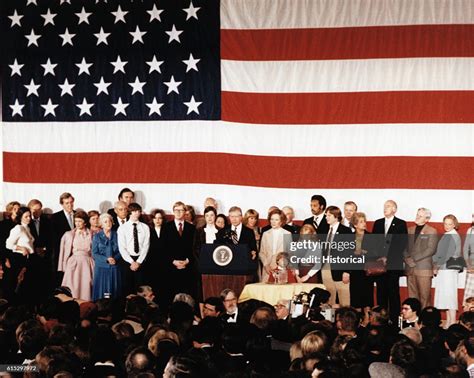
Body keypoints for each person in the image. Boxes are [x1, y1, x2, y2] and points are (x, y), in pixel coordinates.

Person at [371, 200, 408, 323]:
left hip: (393, 265)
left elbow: (401, 244)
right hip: (379, 265)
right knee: (381, 293)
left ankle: (395, 320)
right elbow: (374, 242)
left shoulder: (401, 224)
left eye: (388, 206)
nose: (385, 208)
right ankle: (381, 320)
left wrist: (388, 257)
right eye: (384, 206)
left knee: (393, 293)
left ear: (394, 209)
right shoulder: (378, 223)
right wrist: (379, 257)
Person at [404, 208, 438, 309]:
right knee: (412, 298)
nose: (417, 217)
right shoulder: (409, 230)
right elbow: (403, 247)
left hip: (423, 269)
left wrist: (412, 259)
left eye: (420, 216)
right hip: (410, 268)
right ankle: (414, 320)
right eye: (417, 215)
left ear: (427, 219)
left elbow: (431, 249)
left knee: (425, 298)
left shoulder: (432, 231)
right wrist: (407, 259)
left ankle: (425, 321)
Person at [320, 206, 353, 307]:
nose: (326, 217)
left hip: (340, 269)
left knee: (344, 297)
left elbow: (349, 253)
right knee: (329, 297)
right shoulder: (325, 230)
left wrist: (347, 271)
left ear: (336, 216)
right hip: (325, 267)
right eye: (326, 215)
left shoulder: (346, 231)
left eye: (329, 215)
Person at [161, 201, 196, 298]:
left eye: (181, 210)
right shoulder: (166, 227)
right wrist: (173, 261)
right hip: (171, 267)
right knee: (172, 295)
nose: (178, 212)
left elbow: (194, 247)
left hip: (187, 266)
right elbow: (163, 248)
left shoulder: (192, 228)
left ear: (185, 212)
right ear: (173, 211)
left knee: (186, 295)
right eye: (176, 210)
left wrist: (187, 261)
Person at [433, 214, 462, 328]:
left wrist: (437, 265)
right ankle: (449, 321)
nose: (447, 226)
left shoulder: (453, 235)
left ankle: (453, 322)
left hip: (449, 270)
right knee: (446, 296)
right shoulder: (448, 234)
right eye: (445, 223)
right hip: (446, 270)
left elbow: (447, 254)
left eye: (450, 224)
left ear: (454, 224)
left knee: (450, 296)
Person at [58, 211, 94, 301]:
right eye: (76, 221)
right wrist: (62, 266)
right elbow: (62, 252)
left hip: (87, 263)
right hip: (74, 262)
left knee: (86, 286)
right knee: (72, 286)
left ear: (85, 222)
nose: (77, 223)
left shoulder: (92, 234)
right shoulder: (69, 234)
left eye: (80, 221)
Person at [5, 206, 36, 303]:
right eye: (26, 216)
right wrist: (21, 248)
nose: (29, 218)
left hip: (28, 260)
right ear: (20, 217)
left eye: (29, 216)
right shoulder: (18, 228)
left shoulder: (28, 228)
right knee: (18, 286)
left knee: (26, 288)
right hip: (18, 260)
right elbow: (8, 244)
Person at [117, 203, 150, 295]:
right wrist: (132, 262)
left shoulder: (145, 227)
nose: (136, 213)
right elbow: (122, 247)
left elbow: (146, 246)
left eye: (138, 211)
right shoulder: (122, 228)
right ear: (129, 213)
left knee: (141, 287)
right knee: (127, 287)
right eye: (134, 211)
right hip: (127, 261)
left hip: (141, 260)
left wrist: (139, 262)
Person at [92, 213, 122, 301]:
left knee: (114, 290)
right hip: (102, 267)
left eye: (109, 221)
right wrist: (106, 259)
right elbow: (94, 253)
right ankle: (103, 308)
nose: (108, 223)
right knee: (104, 291)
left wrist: (115, 259)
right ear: (101, 225)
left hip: (115, 267)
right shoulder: (96, 236)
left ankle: (114, 308)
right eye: (105, 222)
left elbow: (121, 250)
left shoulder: (117, 235)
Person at [27, 199, 53, 301]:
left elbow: (51, 238)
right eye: (34, 210)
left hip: (44, 257)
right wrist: (35, 249)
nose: (36, 212)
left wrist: (44, 249)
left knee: (44, 284)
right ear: (29, 209)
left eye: (39, 209)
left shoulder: (47, 222)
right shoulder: (26, 222)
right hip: (31, 258)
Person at [350, 212, 375, 313]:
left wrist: (364, 253)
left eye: (364, 221)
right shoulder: (349, 237)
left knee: (367, 298)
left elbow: (375, 253)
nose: (364, 223)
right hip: (355, 272)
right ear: (355, 225)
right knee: (356, 299)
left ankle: (367, 320)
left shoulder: (371, 236)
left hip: (367, 271)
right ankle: (357, 321)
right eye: (361, 222)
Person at [193, 206, 218, 301]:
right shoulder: (199, 231)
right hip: (203, 266)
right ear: (204, 217)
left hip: (217, 266)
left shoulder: (221, 231)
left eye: (212, 215)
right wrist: (202, 262)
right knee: (202, 291)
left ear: (215, 216)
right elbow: (195, 249)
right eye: (207, 215)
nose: (210, 218)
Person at [259, 209, 291, 282]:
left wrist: (281, 265)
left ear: (281, 221)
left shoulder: (287, 234)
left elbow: (289, 253)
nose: (273, 222)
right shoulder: (265, 234)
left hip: (281, 267)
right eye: (272, 219)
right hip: (267, 267)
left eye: (276, 220)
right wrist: (266, 265)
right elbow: (261, 252)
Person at [51, 192, 76, 286]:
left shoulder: (78, 215)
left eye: (71, 202)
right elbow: (54, 237)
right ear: (62, 204)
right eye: (67, 203)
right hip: (63, 251)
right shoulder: (55, 217)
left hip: (76, 252)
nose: (70, 205)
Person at [146, 209, 169, 309]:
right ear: (152, 219)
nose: (158, 220)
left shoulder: (167, 230)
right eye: (155, 218)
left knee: (164, 287)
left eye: (160, 218)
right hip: (152, 264)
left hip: (165, 264)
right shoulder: (148, 231)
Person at [464, 215, 474, 302]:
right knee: (469, 297)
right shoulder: (470, 230)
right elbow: (465, 249)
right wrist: (468, 265)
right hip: (471, 266)